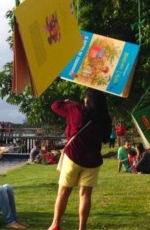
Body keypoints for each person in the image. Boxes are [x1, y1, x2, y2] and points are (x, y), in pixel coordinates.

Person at [48, 88, 112, 230]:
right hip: (93, 161)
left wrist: (68, 102)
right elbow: (106, 139)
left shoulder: (76, 109)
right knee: (85, 195)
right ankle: (82, 228)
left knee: (63, 193)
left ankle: (55, 224)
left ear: (87, 100)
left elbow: (55, 106)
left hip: (73, 157)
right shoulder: (105, 119)